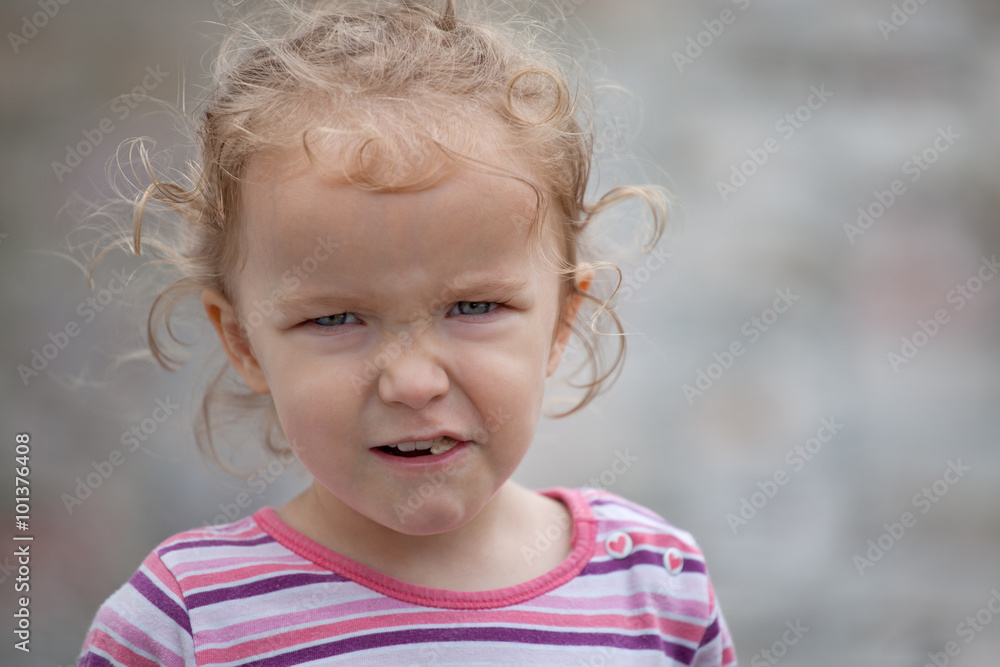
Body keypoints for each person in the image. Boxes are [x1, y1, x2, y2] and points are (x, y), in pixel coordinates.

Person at [78, 1, 736, 664]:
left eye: (474, 307)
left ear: (563, 318)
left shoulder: (653, 587)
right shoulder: (186, 621)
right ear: (244, 341)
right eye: (335, 318)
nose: (414, 381)